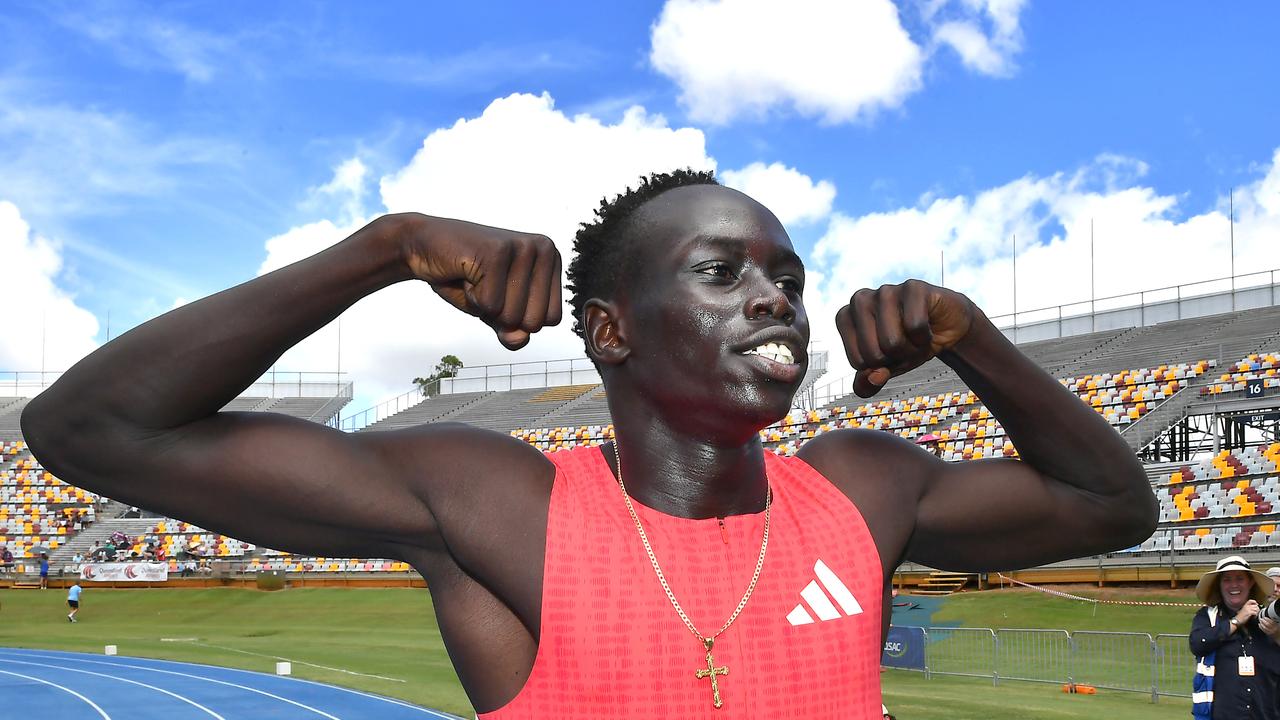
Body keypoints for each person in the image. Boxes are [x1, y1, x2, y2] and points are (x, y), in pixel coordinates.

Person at [21, 170, 1156, 717]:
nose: (775, 301)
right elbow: (89, 430)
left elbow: (1112, 509)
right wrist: (382, 248)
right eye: (722, 275)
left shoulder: (862, 486)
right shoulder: (496, 504)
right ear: (608, 331)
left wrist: (976, 339)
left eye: (786, 280)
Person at [1190, 556, 1280, 719]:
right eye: (1227, 580)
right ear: (1219, 585)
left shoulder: (1268, 618)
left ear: (1251, 582)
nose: (1234, 585)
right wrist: (1237, 620)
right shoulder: (1208, 617)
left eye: (1240, 578)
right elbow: (1198, 643)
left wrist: (1277, 635)